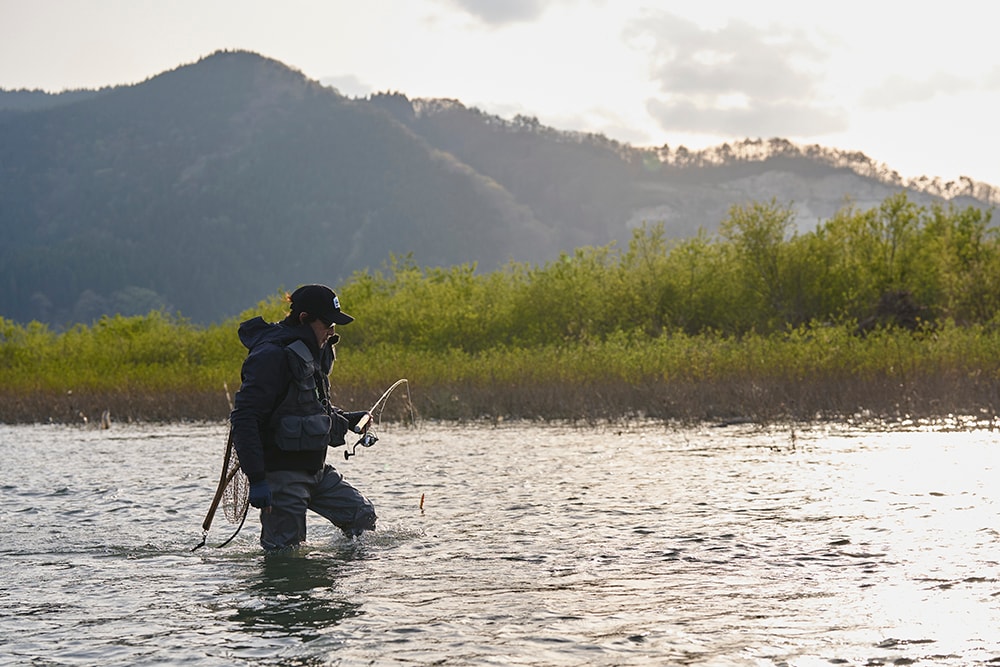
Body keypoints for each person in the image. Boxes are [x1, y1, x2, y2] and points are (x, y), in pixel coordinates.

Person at [229, 284, 377, 550]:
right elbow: (244, 419)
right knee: (286, 554)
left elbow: (306, 408)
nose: (332, 331)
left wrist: (348, 418)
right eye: (327, 324)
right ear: (304, 319)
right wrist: (258, 479)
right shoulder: (271, 355)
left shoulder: (310, 353)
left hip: (316, 471)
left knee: (361, 517)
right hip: (281, 476)